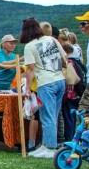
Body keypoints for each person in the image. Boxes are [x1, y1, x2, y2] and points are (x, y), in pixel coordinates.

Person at [21, 17, 66, 158]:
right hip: (60, 80)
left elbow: (30, 70)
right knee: (54, 114)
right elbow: (64, 58)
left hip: (45, 83)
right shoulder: (52, 40)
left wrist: (27, 88)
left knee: (47, 116)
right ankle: (47, 145)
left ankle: (50, 148)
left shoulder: (29, 46)